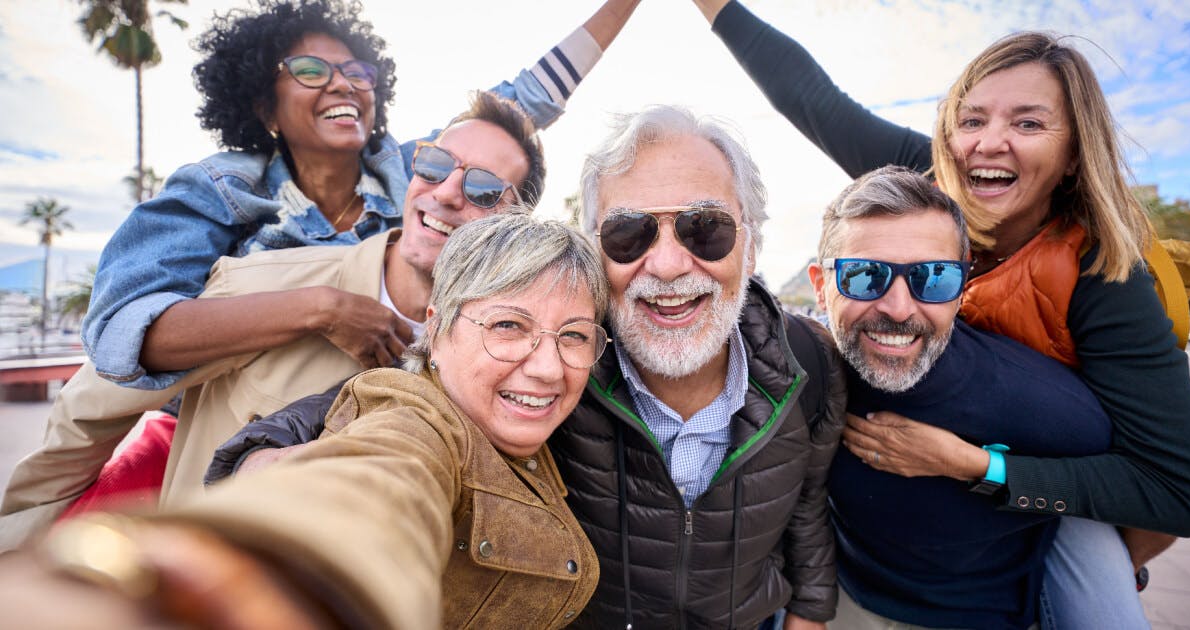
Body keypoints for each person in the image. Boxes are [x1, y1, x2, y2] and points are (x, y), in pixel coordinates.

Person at [212, 104, 846, 629]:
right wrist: (282, 477)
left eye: (705, 229)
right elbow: (405, 414)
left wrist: (809, 617)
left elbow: (807, 505)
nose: (670, 265)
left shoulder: (809, 362)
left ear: (752, 243)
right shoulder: (557, 372)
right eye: (630, 235)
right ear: (599, 252)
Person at [691, 0, 1190, 620]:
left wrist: (971, 464)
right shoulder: (930, 181)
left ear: (1073, 152)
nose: (991, 142)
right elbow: (811, 99)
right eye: (972, 119)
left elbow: (1176, 488)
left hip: (1053, 496)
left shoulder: (1106, 275)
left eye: (1029, 124)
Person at [0, 211, 610, 630]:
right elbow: (381, 476)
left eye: (575, 337)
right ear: (440, 327)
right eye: (509, 326)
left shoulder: (519, 428)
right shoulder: (417, 414)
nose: (549, 368)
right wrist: (258, 574)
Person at [0, 92, 544, 547]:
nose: (446, 193)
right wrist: (18, 545)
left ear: (518, 220)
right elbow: (88, 416)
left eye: (482, 189)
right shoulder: (260, 284)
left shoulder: (517, 355)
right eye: (433, 165)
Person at [85, 0, 640, 391]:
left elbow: (525, 102)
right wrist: (323, 309)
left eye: (357, 71)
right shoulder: (220, 190)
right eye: (309, 70)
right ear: (262, 106)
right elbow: (122, 335)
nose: (343, 84)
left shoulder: (409, 168)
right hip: (239, 418)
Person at [809, 166, 1112, 628]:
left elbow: (1146, 493)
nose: (898, 307)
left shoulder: (1042, 404)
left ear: (962, 288)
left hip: (980, 614)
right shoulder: (798, 373)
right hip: (845, 598)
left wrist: (974, 465)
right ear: (820, 285)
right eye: (865, 275)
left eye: (932, 278)